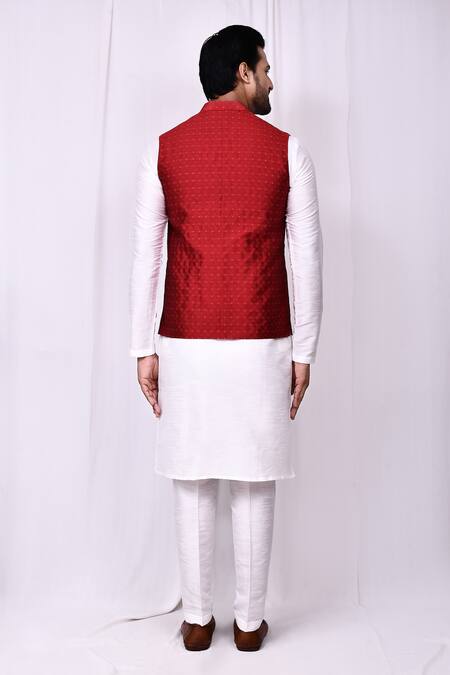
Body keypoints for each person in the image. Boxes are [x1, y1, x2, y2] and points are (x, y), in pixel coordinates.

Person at [129, 24, 323, 652]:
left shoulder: (163, 149)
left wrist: (143, 347)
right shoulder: (287, 150)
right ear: (242, 72)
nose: (271, 81)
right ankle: (248, 624)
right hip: (262, 335)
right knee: (253, 477)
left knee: (191, 477)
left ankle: (195, 620)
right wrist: (304, 351)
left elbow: (146, 258)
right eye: (264, 69)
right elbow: (307, 257)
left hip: (185, 338)